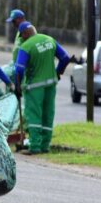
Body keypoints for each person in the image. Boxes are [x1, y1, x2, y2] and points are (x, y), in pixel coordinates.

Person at [13, 22, 71, 155]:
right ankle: (45, 146)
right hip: (51, 84)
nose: (21, 39)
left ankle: (34, 146)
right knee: (48, 114)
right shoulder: (49, 39)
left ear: (26, 33)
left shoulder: (26, 46)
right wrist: (58, 72)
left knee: (34, 115)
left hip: (34, 86)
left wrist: (17, 86)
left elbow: (19, 69)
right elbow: (65, 58)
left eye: (22, 36)